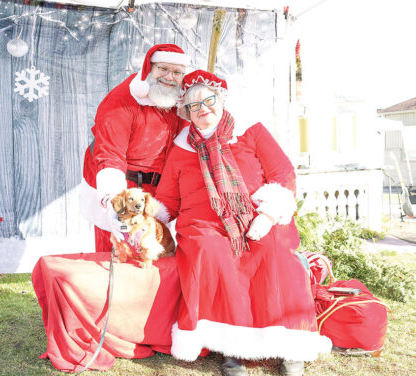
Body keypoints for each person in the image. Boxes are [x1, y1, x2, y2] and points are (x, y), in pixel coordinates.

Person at [154, 70, 332, 376]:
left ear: (221, 100)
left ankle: (290, 347)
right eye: (194, 105)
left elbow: (283, 173)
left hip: (257, 216)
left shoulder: (251, 132)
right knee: (210, 252)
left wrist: (268, 214)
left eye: (209, 100)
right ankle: (232, 349)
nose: (203, 109)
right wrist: (144, 222)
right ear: (186, 112)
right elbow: (167, 201)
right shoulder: (181, 148)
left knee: (274, 253)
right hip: (204, 225)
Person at [80, 43, 191, 252]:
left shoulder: (178, 103)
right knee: (117, 250)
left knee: (152, 250)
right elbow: (110, 154)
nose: (169, 77)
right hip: (121, 184)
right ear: (149, 68)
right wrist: (115, 200)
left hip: (155, 189)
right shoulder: (122, 101)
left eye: (177, 72)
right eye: (163, 69)